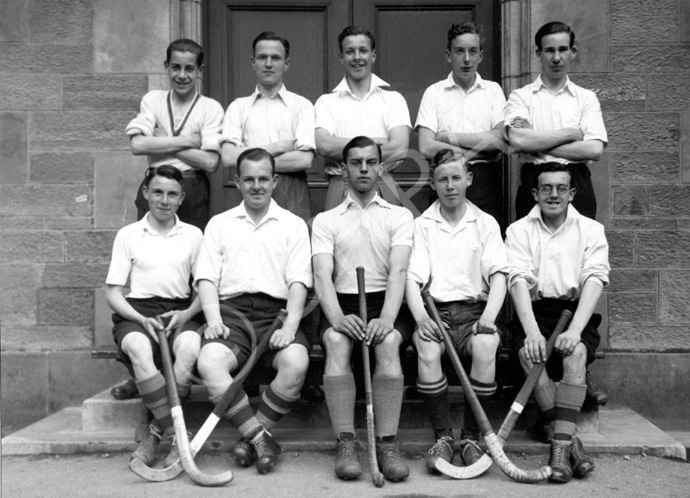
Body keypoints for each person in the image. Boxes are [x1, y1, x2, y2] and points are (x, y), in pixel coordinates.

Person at [195, 148, 312, 474]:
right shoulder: (219, 224)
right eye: (249, 179)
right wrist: (214, 319)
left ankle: (252, 437)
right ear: (237, 181)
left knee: (296, 363)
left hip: (276, 315)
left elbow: (299, 281)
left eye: (263, 179)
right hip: (232, 316)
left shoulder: (293, 225)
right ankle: (260, 439)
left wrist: (290, 326)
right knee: (209, 362)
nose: (257, 186)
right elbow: (206, 278)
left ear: (275, 181)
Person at [312, 136, 414, 482]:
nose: (364, 168)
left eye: (371, 162)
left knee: (387, 344)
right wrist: (337, 318)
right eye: (356, 162)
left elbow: (399, 270)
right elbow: (321, 276)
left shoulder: (399, 216)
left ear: (381, 167)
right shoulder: (326, 220)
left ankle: (386, 443)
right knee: (337, 343)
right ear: (344, 169)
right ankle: (346, 442)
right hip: (341, 302)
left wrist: (387, 318)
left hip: (385, 300)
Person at [405, 149, 509, 473]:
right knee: (425, 347)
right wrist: (421, 318)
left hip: (476, 312)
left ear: (468, 179)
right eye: (442, 179)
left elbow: (499, 276)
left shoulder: (485, 223)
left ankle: (471, 438)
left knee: (486, 345)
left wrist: (488, 318)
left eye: (455, 178)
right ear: (433, 184)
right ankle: (443, 438)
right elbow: (412, 278)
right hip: (436, 312)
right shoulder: (422, 225)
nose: (450, 186)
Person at [505, 162, 609, 483]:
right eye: (546, 188)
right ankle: (569, 441)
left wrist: (576, 329)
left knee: (575, 353)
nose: (554, 195)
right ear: (535, 193)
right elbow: (517, 280)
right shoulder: (518, 230)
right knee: (528, 353)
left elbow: (595, 279)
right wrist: (532, 331)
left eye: (561, 188)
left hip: (575, 312)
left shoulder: (591, 230)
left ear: (572, 193)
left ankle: (558, 448)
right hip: (534, 314)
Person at [105, 165, 204, 468]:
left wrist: (187, 312)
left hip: (179, 311)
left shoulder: (193, 235)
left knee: (188, 347)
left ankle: (156, 431)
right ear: (146, 193)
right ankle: (177, 433)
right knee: (138, 347)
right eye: (158, 192)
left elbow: (205, 289)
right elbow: (113, 293)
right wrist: (140, 318)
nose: (164, 200)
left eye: (172, 194)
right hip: (137, 312)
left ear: (181, 198)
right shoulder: (129, 235)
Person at [505, 21, 607, 220]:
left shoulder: (586, 98)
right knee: (530, 248)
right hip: (534, 182)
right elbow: (518, 141)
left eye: (563, 50)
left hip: (577, 183)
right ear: (538, 54)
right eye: (550, 50)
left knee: (578, 247)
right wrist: (570, 134)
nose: (557, 58)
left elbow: (594, 150)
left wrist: (535, 141)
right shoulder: (521, 97)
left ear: (573, 52)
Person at [126, 38, 223, 231]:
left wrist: (161, 140)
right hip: (155, 181)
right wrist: (188, 141)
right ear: (166, 67)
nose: (181, 75)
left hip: (191, 185)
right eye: (175, 67)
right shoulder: (153, 100)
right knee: (149, 248)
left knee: (190, 248)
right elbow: (137, 145)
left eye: (189, 69)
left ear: (199, 70)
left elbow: (211, 162)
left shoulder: (210, 108)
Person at [416, 22, 507, 226]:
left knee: (486, 244)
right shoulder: (434, 93)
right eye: (459, 51)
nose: (466, 59)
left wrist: (448, 137)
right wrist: (484, 149)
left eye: (472, 52)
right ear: (449, 55)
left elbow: (501, 139)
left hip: (484, 181)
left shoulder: (493, 91)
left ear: (480, 56)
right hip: (445, 177)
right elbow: (426, 146)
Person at [219, 31, 316, 222]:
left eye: (276, 58)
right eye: (262, 57)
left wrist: (251, 161)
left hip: (292, 191)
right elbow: (229, 157)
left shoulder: (302, 105)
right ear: (253, 62)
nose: (269, 63)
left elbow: (304, 160)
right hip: (251, 190)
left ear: (286, 64)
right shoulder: (238, 107)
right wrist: (277, 147)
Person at [315, 26, 411, 210]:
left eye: (363, 51)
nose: (357, 57)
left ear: (373, 56)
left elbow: (399, 148)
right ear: (341, 58)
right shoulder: (326, 102)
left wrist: (346, 147)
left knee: (389, 237)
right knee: (336, 237)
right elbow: (324, 145)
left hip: (383, 181)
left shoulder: (393, 99)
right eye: (350, 52)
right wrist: (376, 142)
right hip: (340, 183)